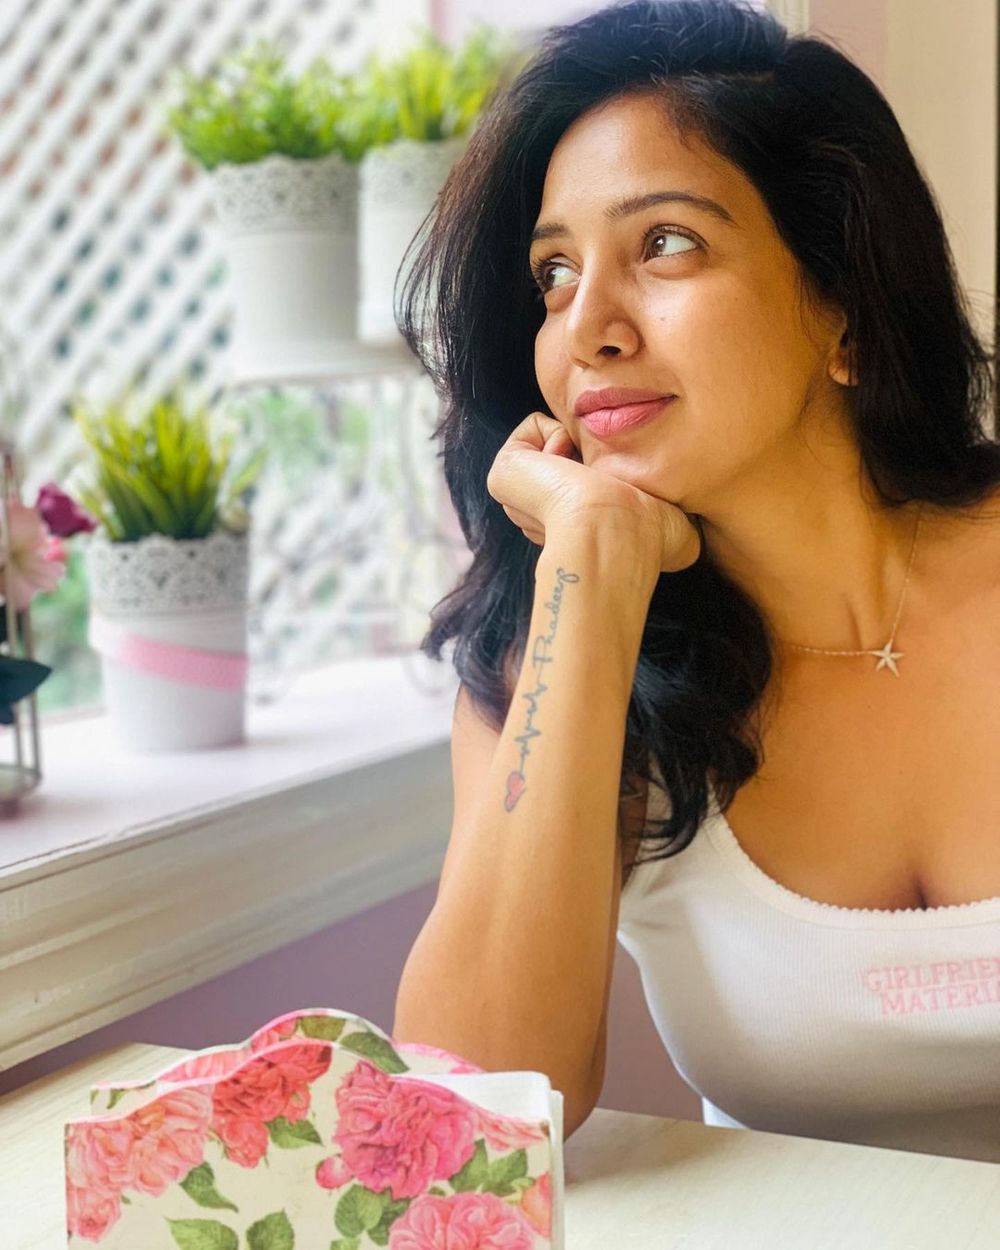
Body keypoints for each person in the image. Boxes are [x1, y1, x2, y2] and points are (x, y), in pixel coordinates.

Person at [392, 0, 1000, 1164]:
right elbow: (471, 1108)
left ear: (844, 304)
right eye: (554, 272)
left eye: (664, 243)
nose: (589, 329)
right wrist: (590, 569)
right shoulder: (554, 663)